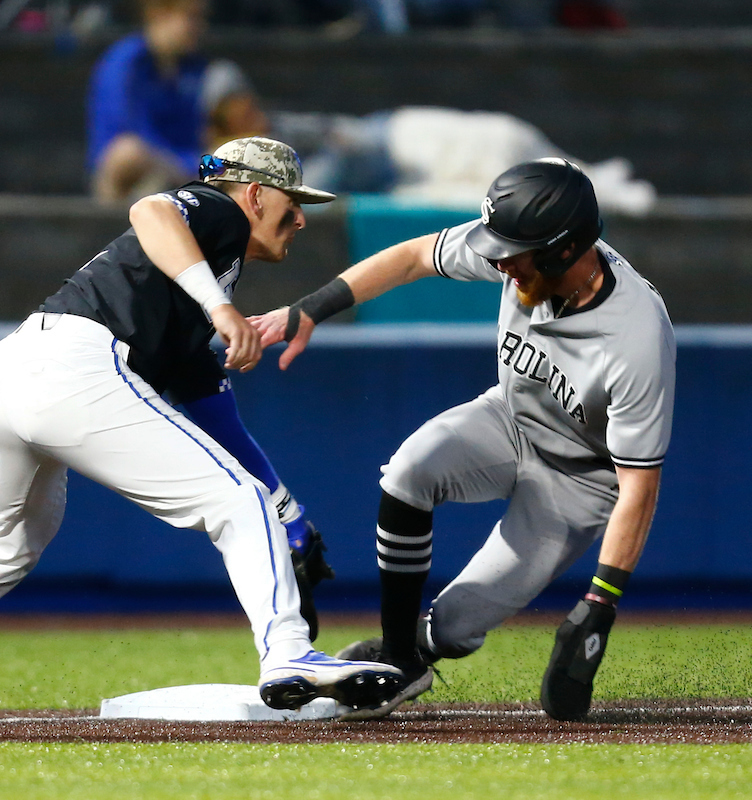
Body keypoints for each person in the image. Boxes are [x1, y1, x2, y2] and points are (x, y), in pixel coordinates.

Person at [0, 137, 402, 728]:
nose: (301, 221)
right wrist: (219, 308)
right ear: (255, 195)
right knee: (238, 503)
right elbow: (149, 210)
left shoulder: (188, 288)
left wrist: (288, 510)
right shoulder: (218, 214)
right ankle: (288, 655)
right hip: (74, 366)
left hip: (10, 374)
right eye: (292, 205)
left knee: (7, 544)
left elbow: (213, 414)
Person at [251, 158, 675, 720]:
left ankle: (423, 647)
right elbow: (410, 258)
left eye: (514, 253)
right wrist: (312, 308)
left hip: (581, 482)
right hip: (510, 419)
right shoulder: (522, 254)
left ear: (563, 250)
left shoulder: (636, 336)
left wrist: (600, 604)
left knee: (453, 627)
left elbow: (639, 484)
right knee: (410, 468)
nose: (500, 262)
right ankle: (399, 659)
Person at [272, 106, 656, 215]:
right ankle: (599, 186)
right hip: (396, 158)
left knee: (510, 143)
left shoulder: (507, 139)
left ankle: (598, 182)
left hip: (402, 138)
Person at [88, 0, 267, 204]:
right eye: (192, 17)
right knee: (127, 152)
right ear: (159, 14)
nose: (200, 27)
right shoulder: (126, 64)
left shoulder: (194, 68)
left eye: (202, 18)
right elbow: (131, 134)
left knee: (240, 158)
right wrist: (184, 166)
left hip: (183, 167)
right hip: (133, 173)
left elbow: (197, 134)